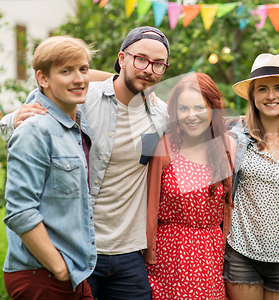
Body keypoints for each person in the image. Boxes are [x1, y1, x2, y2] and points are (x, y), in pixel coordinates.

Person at [0, 26, 171, 299]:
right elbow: (35, 114)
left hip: (128, 251)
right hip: (78, 249)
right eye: (141, 59)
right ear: (122, 58)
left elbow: (201, 124)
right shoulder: (84, 96)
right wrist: (12, 119)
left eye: (159, 64)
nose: (148, 69)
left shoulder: (160, 114)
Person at [3, 36, 95, 299]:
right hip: (41, 274)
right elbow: (20, 211)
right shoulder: (35, 129)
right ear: (43, 79)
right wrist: (59, 268)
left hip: (74, 274)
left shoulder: (76, 122)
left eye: (83, 69)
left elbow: (110, 80)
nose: (79, 79)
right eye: (66, 71)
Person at [224, 54, 279, 300]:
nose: (271, 96)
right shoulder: (234, 136)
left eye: (278, 88)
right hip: (241, 254)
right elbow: (189, 117)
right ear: (253, 96)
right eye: (262, 89)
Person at [144, 72, 235, 299]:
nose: (191, 116)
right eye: (183, 109)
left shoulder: (227, 146)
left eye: (199, 108)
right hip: (169, 256)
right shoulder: (165, 145)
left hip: (211, 257)